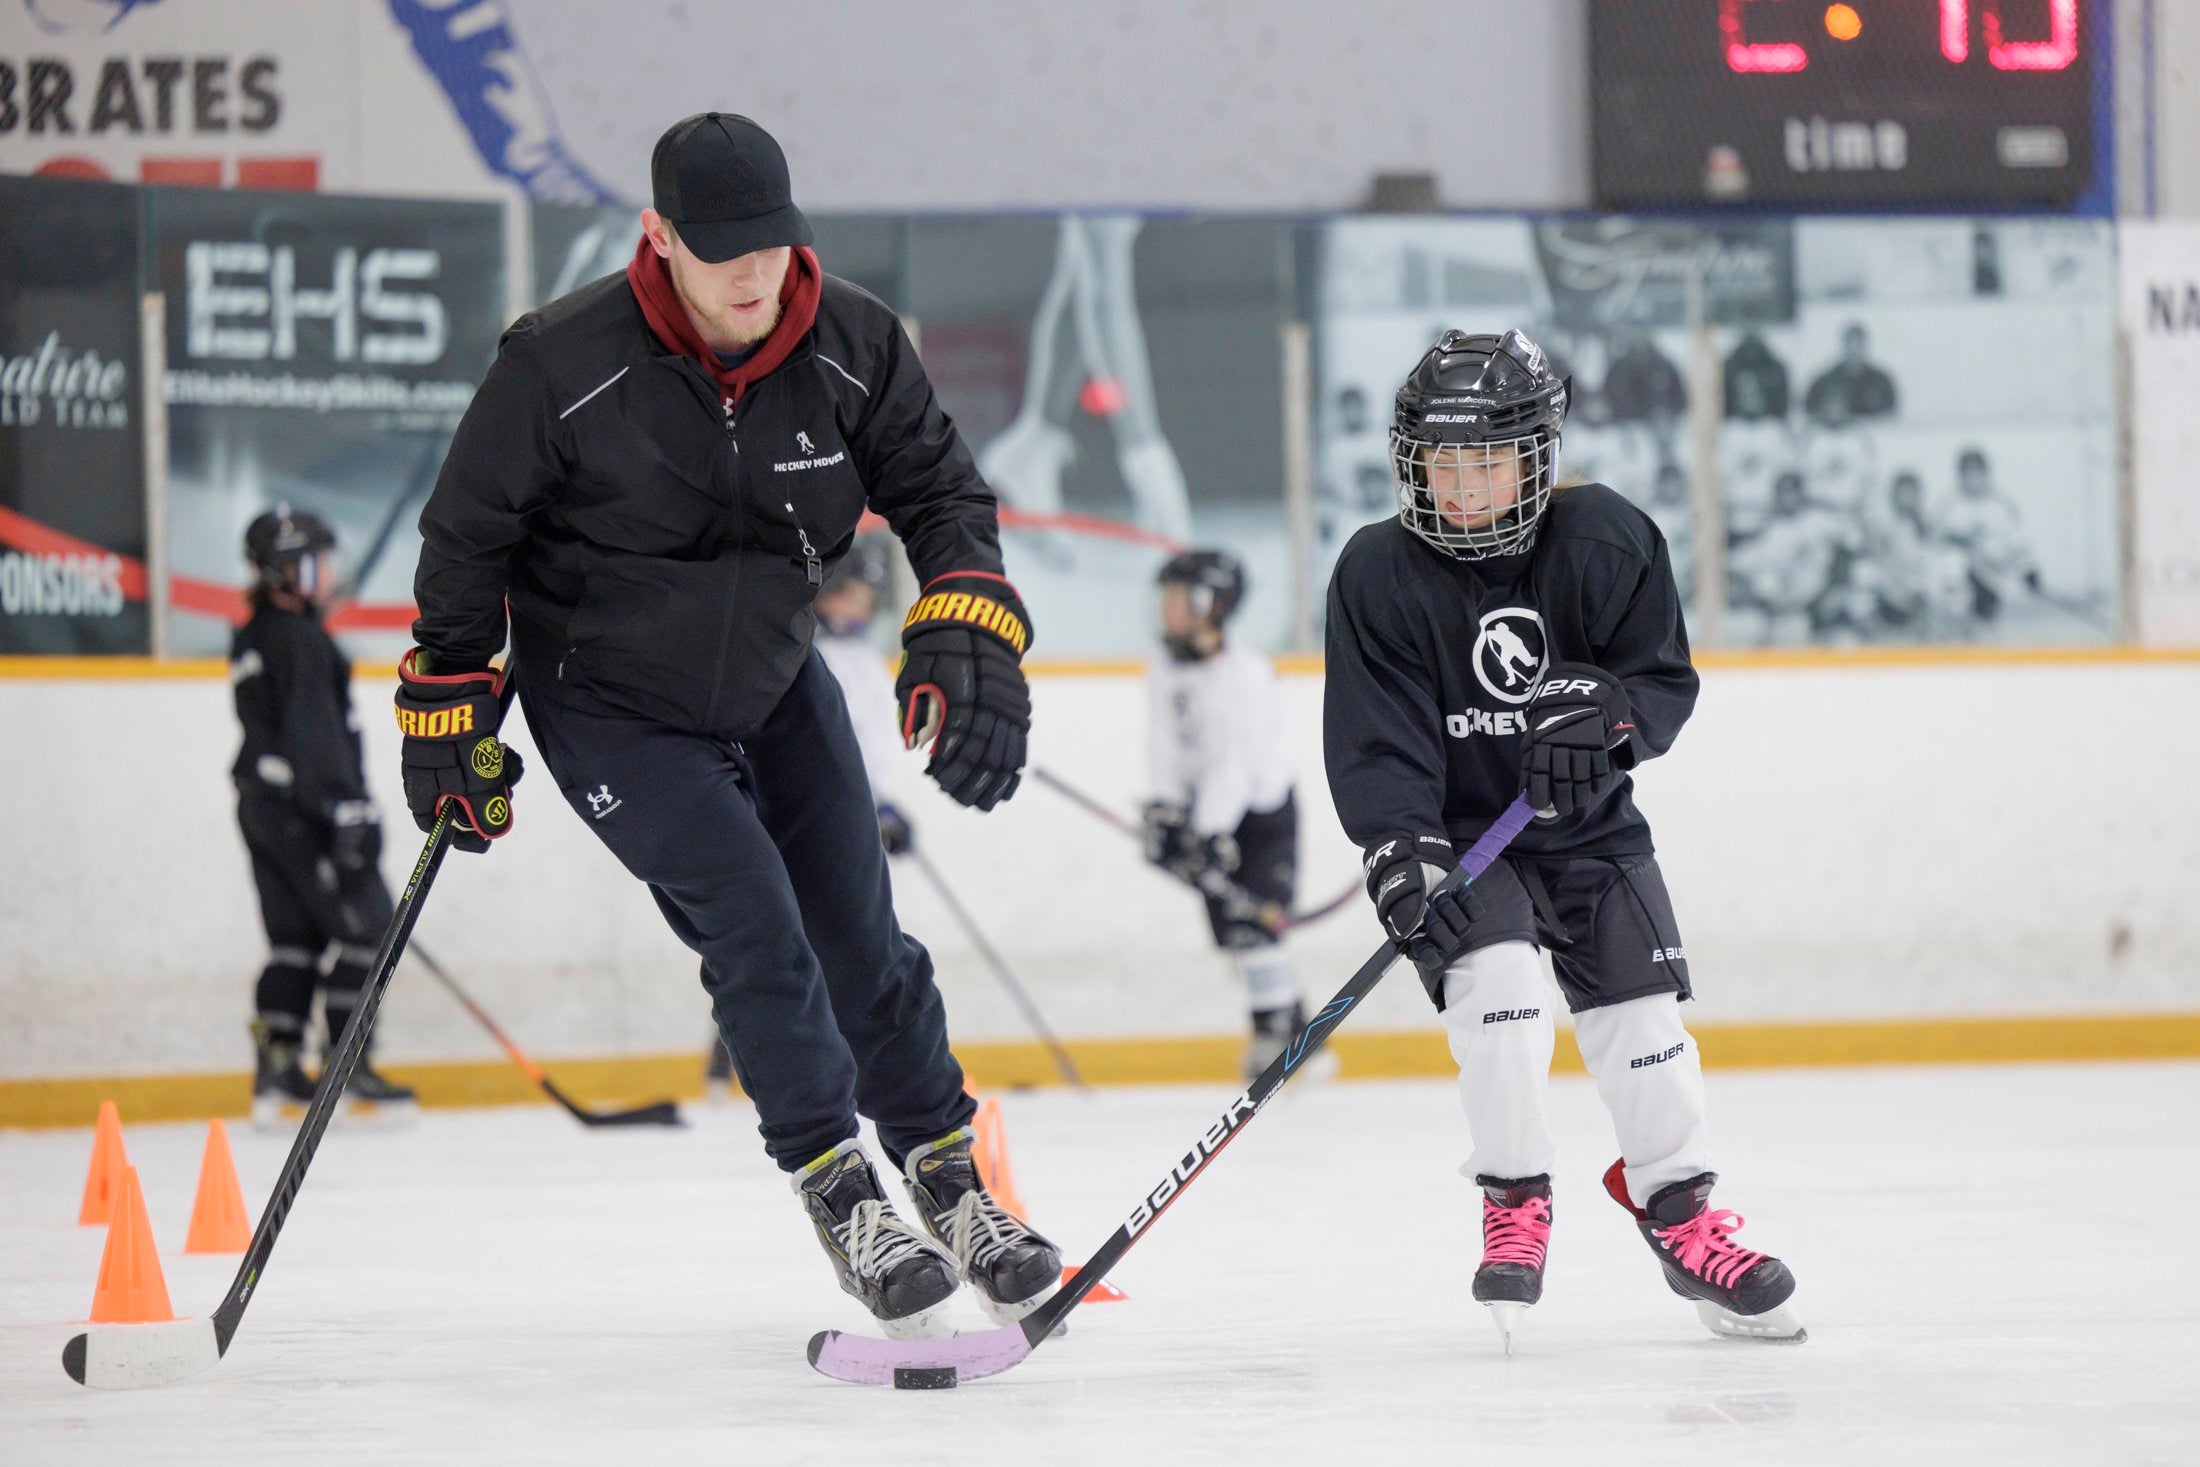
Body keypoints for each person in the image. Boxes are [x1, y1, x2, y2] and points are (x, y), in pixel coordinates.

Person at [397, 112, 1059, 1338]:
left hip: (771, 678)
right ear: (658, 236)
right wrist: (445, 699)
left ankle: (951, 1182)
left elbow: (941, 491)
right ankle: (842, 1191)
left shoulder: (855, 340)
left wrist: (966, 617)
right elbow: (465, 537)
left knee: (864, 936)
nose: (754, 273)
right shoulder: (558, 361)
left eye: (771, 243)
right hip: (611, 707)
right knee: (759, 930)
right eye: (722, 250)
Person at [1322, 328, 1802, 1349]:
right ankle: (1512, 1198)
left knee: (1645, 1034)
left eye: (1485, 461)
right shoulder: (1378, 573)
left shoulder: (1604, 541)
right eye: (1441, 462)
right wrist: (1400, 848)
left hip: (1587, 833)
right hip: (1467, 838)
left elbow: (1659, 684)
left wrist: (1610, 715)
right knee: (1494, 997)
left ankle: (1679, 1212)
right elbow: (1378, 740)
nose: (1460, 487)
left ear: (1537, 453)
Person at [230, 507, 417, 1130]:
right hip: (303, 812)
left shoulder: (258, 632)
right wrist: (347, 808)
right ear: (288, 568)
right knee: (373, 930)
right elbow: (316, 739)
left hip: (265, 808)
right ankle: (348, 1068)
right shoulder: (300, 640)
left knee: (297, 941)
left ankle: (277, 1074)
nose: (331, 570)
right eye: (319, 559)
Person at [704, 537, 910, 1097]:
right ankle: (734, 1065)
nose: (855, 607)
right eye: (846, 594)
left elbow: (870, 745)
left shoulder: (866, 661)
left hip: (842, 817)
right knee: (770, 939)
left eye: (864, 596)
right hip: (787, 811)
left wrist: (884, 805)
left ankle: (824, 1065)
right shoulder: (795, 650)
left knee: (841, 939)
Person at [1140, 549, 1317, 1080]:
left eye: (1180, 598)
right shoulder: (1164, 669)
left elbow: (1236, 766)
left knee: (1255, 927)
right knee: (1239, 931)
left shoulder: (1246, 673)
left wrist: (1206, 830)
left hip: (1261, 817)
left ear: (1213, 604)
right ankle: (1302, 1033)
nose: (1168, 610)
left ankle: (1274, 1036)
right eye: (1165, 598)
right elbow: (1165, 747)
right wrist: (1170, 811)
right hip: (1207, 814)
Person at [1802, 322, 1897, 426]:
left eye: (1858, 345)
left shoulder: (1880, 381)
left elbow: (1890, 413)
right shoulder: (1826, 381)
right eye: (1850, 345)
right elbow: (1809, 410)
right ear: (1844, 345)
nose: (1854, 350)